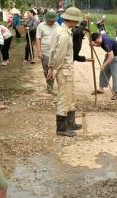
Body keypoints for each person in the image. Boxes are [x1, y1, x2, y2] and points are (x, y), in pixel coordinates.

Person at [48, 7, 83, 137]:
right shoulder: (63, 34)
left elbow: (53, 51)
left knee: (70, 96)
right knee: (64, 97)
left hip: (66, 69)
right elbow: (58, 55)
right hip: (64, 70)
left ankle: (70, 123)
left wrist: (52, 67)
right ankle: (61, 128)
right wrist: (54, 69)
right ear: (72, 20)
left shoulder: (63, 31)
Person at [91, 32, 117, 100]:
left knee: (115, 75)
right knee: (103, 72)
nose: (97, 43)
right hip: (109, 56)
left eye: (97, 42)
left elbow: (111, 57)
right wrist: (94, 45)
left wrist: (104, 65)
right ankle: (101, 89)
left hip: (115, 58)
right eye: (95, 42)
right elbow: (100, 44)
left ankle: (116, 93)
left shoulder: (107, 42)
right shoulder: (101, 38)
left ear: (99, 37)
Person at [36, 12, 58, 92]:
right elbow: (38, 39)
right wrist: (39, 51)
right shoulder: (41, 26)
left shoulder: (57, 25)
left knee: (55, 69)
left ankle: (53, 82)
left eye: (53, 21)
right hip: (45, 51)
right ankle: (49, 84)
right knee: (46, 69)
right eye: (51, 21)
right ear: (46, 20)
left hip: (55, 52)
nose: (52, 22)